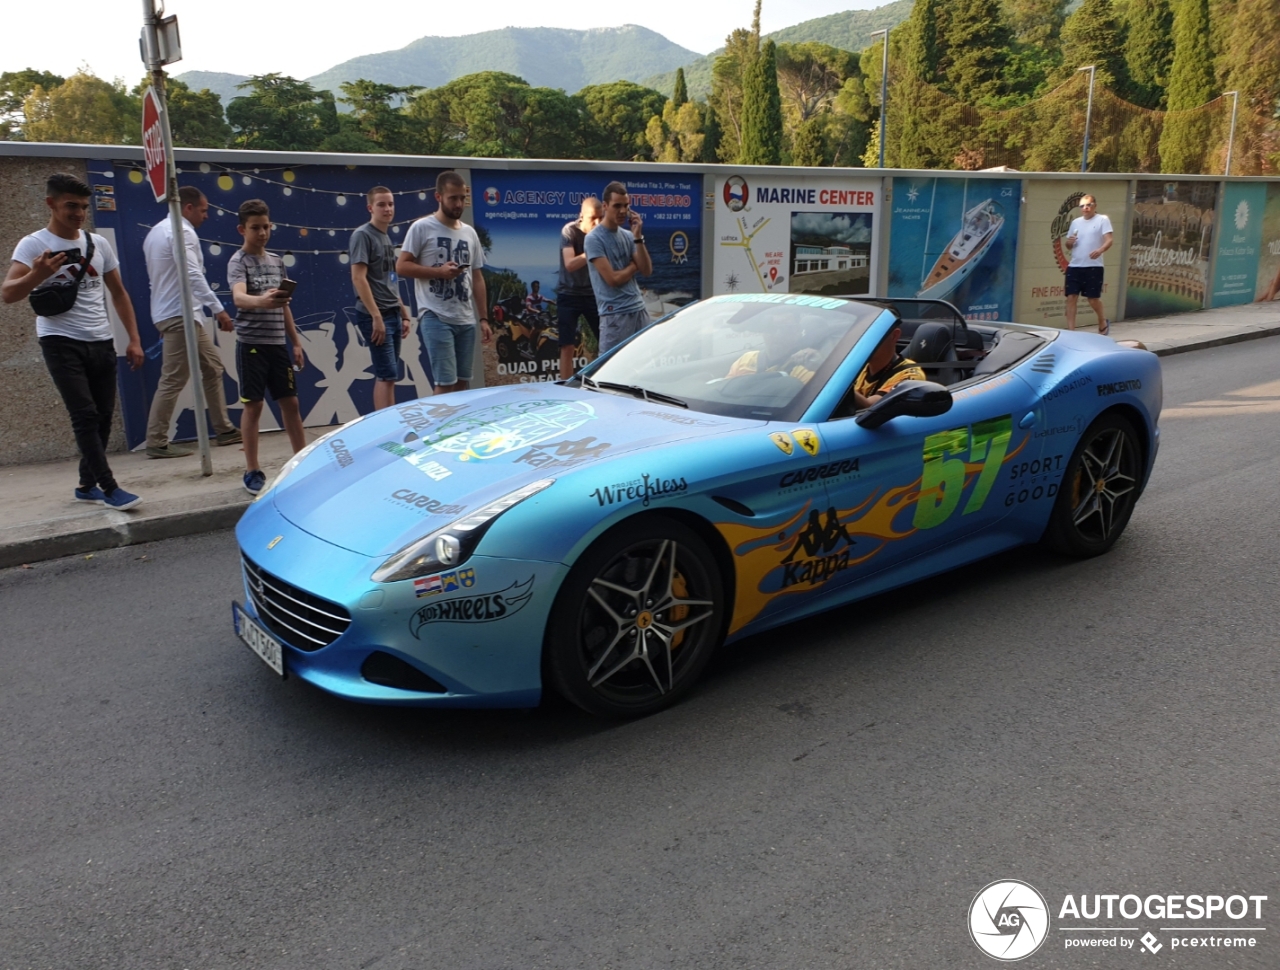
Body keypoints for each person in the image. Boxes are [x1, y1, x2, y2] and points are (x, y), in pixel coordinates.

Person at [2, 172, 145, 510]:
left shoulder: (98, 244)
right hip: (59, 340)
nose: (78, 214)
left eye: (83, 207)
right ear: (51, 204)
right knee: (83, 415)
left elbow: (119, 293)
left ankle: (85, 485)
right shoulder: (33, 244)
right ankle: (109, 488)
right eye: (71, 206)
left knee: (103, 417)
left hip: (101, 340)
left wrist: (134, 339)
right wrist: (38, 274)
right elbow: (8, 294)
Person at [142, 186, 241, 457]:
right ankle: (156, 441)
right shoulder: (182, 231)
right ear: (188, 207)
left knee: (212, 367)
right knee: (173, 378)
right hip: (180, 315)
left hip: (173, 313)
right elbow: (191, 274)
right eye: (203, 209)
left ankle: (224, 429)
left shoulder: (155, 232)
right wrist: (218, 309)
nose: (206, 216)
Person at [227, 199, 306, 496]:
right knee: (254, 405)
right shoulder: (238, 261)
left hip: (277, 345)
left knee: (291, 403)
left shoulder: (276, 261)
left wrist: (295, 342)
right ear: (242, 229)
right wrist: (263, 301)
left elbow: (284, 306)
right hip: (251, 344)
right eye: (255, 228)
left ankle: (301, 463)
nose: (262, 233)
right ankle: (252, 470)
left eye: (266, 227)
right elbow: (238, 297)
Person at [396, 171, 490, 395]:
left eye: (462, 198)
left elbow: (477, 277)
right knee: (445, 382)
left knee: (461, 383)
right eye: (453, 198)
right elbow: (401, 266)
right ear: (438, 197)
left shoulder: (470, 233)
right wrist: (438, 272)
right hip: (435, 314)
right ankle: (437, 428)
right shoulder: (422, 227)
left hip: (465, 318)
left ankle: (456, 429)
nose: (458, 204)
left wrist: (484, 318)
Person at [350, 185, 411, 411]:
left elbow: (390, 279)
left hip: (392, 312)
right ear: (370, 208)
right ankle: (384, 427)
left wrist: (403, 313)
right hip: (375, 315)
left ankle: (390, 420)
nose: (387, 209)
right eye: (381, 204)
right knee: (385, 374)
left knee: (391, 374)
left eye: (391, 204)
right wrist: (376, 316)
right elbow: (358, 278)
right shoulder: (362, 235)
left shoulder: (385, 237)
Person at [586, 181, 652, 355]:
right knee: (608, 370)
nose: (623, 211)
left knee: (644, 365)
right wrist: (633, 266)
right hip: (614, 315)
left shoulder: (629, 236)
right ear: (605, 206)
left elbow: (646, 270)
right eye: (617, 206)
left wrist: (638, 238)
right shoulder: (594, 239)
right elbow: (612, 279)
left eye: (626, 205)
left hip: (638, 310)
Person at [557, 197, 603, 379]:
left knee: (606, 342)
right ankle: (564, 388)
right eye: (593, 218)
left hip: (593, 294)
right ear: (581, 216)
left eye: (601, 218)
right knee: (567, 345)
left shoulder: (603, 232)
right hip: (568, 294)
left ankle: (605, 383)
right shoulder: (569, 231)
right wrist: (593, 249)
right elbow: (570, 264)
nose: (598, 223)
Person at [1063, 194, 1113, 335]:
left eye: (1088, 205)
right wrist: (1070, 242)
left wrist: (1100, 250)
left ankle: (1102, 320)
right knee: (1071, 297)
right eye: (1082, 206)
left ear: (1094, 206)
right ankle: (1071, 331)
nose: (1085, 208)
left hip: (1093, 266)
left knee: (1093, 299)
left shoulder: (1102, 220)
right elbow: (1068, 245)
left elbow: (1109, 240)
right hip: (1075, 266)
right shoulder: (1076, 223)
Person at [850, 325, 925, 409]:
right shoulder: (858, 367)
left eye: (870, 335)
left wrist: (838, 389)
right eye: (860, 335)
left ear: (894, 335)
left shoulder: (910, 374)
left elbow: (872, 406)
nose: (862, 341)